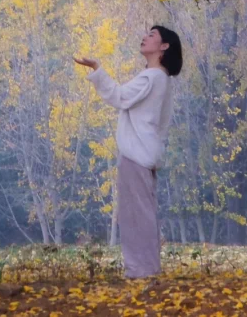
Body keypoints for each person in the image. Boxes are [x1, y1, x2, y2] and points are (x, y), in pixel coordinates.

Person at [76, 25, 183, 280]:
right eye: (145, 33)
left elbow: (120, 96)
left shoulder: (153, 77)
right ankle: (145, 269)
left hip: (137, 156)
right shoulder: (160, 78)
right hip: (145, 155)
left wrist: (97, 70)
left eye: (152, 35)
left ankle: (140, 271)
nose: (144, 37)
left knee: (136, 217)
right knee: (141, 214)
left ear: (164, 46)